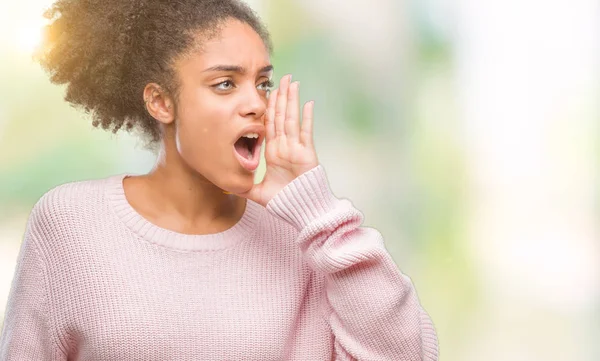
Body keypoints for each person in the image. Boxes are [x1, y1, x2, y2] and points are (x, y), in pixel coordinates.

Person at [0, 0, 439, 360]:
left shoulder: (308, 237)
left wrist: (317, 212)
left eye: (262, 84)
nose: (256, 104)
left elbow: (407, 354)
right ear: (160, 101)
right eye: (226, 84)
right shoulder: (71, 223)